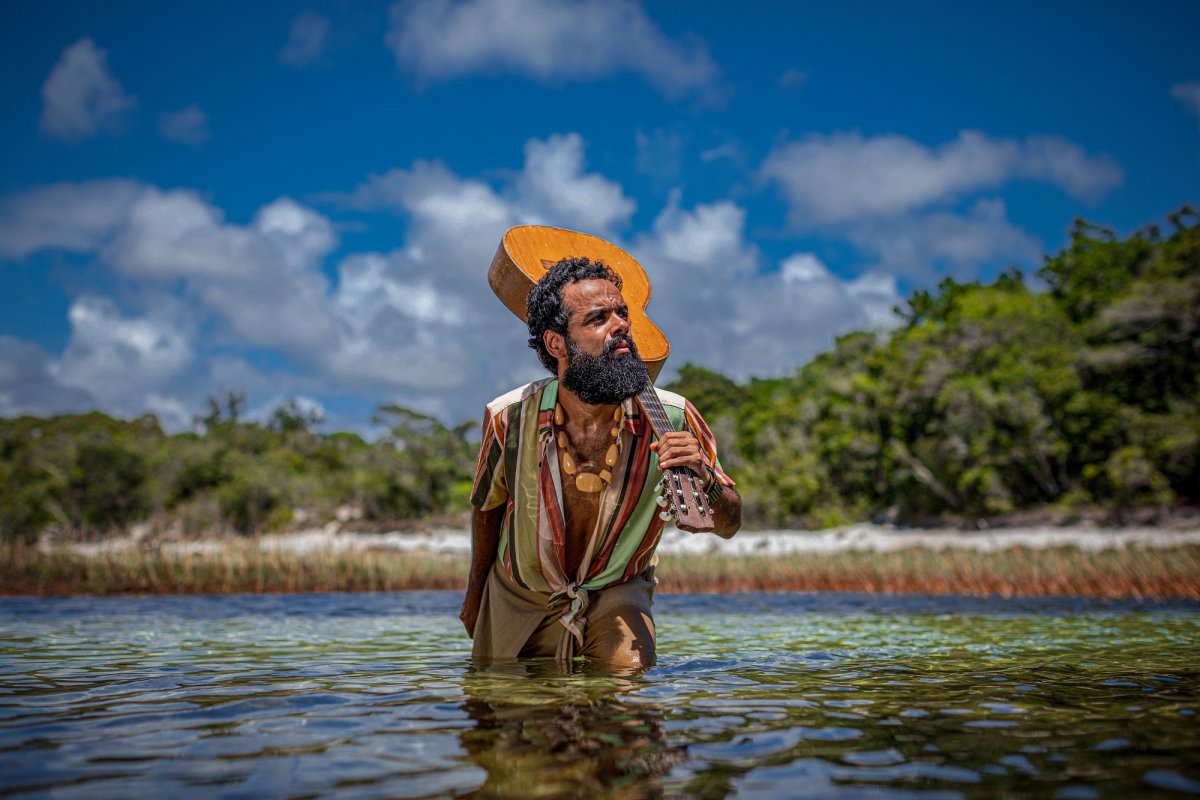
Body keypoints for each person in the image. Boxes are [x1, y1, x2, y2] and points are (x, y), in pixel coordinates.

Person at [460, 257, 741, 668]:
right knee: (498, 718)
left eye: (622, 313)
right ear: (556, 343)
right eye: (598, 318)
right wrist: (474, 597)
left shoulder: (674, 417)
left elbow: (730, 525)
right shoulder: (509, 416)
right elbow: (488, 507)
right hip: (520, 593)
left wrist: (705, 478)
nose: (621, 325)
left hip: (619, 588)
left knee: (627, 714)